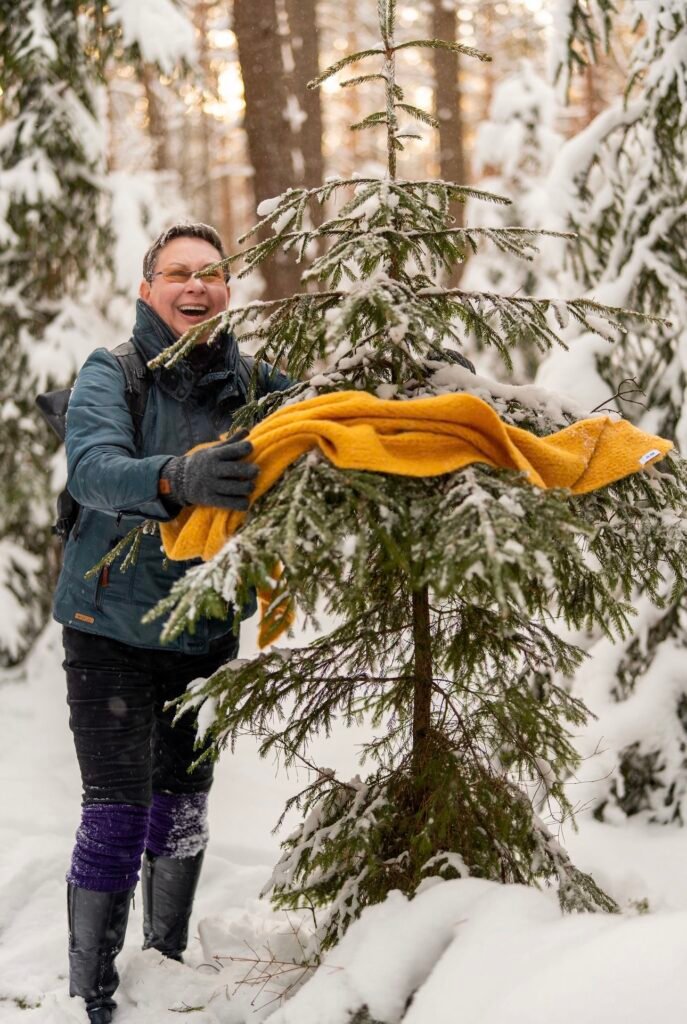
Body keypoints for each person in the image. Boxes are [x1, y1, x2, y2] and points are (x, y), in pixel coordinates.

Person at [53, 222, 291, 1024]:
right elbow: (91, 469)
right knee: (117, 809)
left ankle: (166, 962)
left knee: (185, 800)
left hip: (205, 628)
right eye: (178, 274)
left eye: (212, 273)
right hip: (108, 624)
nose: (197, 286)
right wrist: (177, 477)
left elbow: (343, 416)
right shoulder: (111, 372)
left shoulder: (256, 381)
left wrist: (420, 388)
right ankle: (93, 997)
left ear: (229, 288)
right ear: (148, 290)